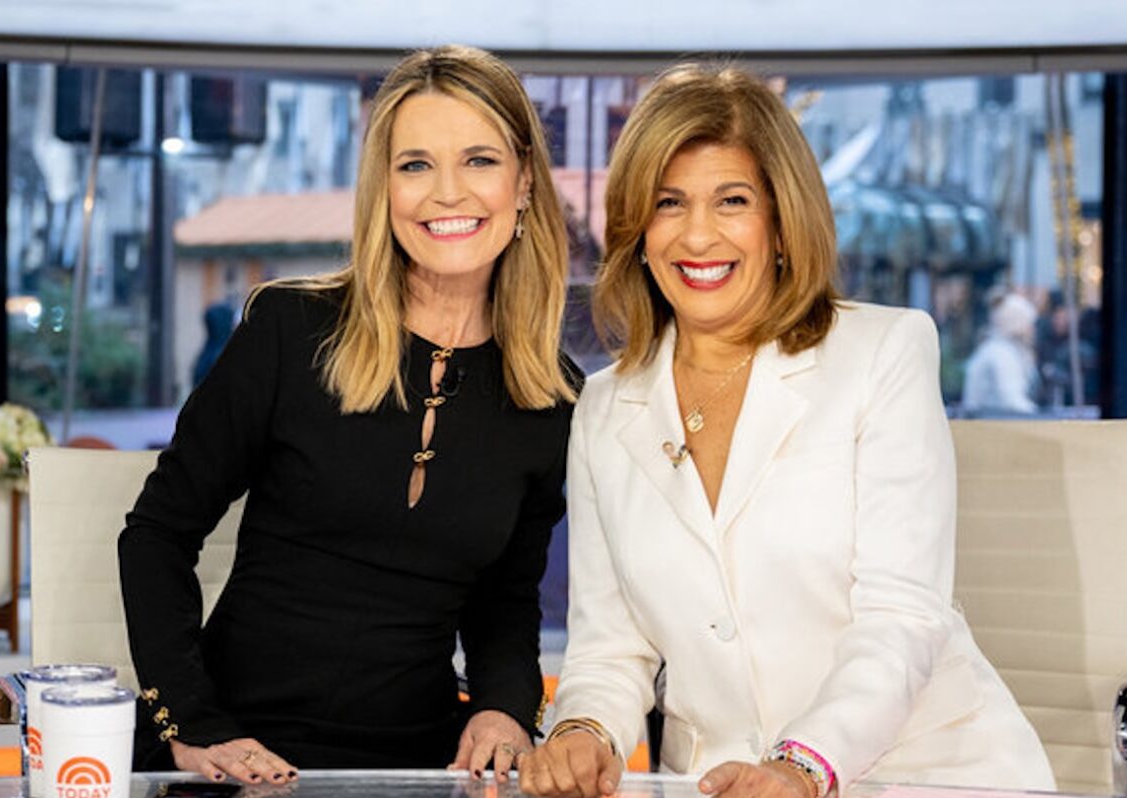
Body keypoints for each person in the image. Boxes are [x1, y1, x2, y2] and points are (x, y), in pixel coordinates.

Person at [517, 64, 1054, 798]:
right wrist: (583, 730)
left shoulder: (885, 352)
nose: (697, 234)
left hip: (919, 774)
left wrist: (801, 766)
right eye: (669, 203)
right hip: (715, 783)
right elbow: (610, 648)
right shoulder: (606, 407)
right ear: (639, 232)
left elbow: (902, 618)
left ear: (781, 224)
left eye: (732, 201)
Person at [119, 44, 579, 784]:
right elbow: (157, 535)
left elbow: (504, 600)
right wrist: (193, 723)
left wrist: (503, 707)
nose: (447, 193)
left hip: (421, 766)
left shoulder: (551, 395)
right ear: (383, 187)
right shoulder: (289, 331)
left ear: (524, 181)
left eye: (480, 161)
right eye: (416, 165)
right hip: (234, 751)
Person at [960, 291, 1039, 415]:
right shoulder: (1001, 354)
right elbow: (1012, 402)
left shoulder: (1000, 349)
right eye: (1029, 324)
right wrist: (1043, 417)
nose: (1033, 330)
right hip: (988, 421)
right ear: (1016, 325)